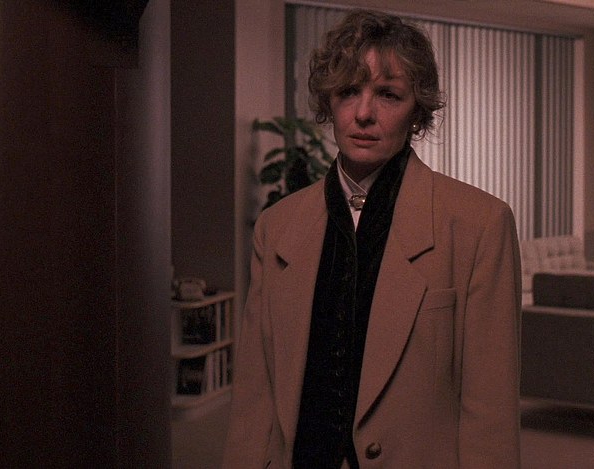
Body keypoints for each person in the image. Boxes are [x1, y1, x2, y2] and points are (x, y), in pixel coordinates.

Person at [223, 9, 521, 469]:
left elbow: (490, 414)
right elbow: (255, 398)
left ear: (416, 110)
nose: (363, 113)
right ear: (328, 102)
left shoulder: (479, 225)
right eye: (348, 91)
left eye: (388, 94)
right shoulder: (277, 227)